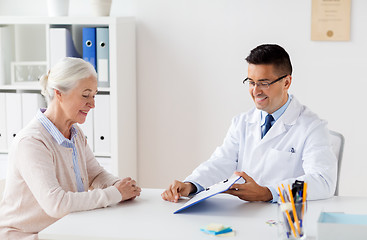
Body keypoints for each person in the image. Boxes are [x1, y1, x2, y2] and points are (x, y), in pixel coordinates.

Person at [161, 44, 337, 203]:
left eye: (264, 83)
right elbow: (222, 161)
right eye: (251, 82)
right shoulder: (243, 121)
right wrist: (191, 184)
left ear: (287, 82)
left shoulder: (312, 127)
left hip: (285, 219)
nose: (255, 91)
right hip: (245, 214)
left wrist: (270, 193)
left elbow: (323, 181)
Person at [0, 57, 141, 239]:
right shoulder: (32, 142)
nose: (92, 104)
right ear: (59, 94)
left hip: (65, 229)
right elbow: (56, 204)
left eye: (94, 95)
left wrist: (120, 186)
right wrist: (115, 193)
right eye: (85, 95)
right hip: (28, 236)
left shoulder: (75, 133)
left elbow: (96, 175)